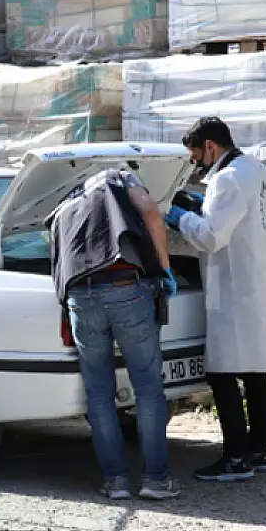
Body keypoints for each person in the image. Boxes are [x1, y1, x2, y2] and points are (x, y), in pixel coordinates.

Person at [164, 116, 266, 482]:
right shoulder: (260, 172)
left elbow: (212, 238)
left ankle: (235, 457)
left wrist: (179, 217)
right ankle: (260, 449)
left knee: (221, 374)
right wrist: (201, 206)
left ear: (211, 147)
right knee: (254, 371)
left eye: (196, 156)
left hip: (235, 291)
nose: (196, 164)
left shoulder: (226, 179)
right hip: (260, 285)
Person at [46, 167, 181, 500]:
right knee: (148, 388)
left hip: (80, 296)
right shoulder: (118, 177)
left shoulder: (67, 199)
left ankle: (116, 481)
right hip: (125, 288)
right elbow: (149, 210)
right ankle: (155, 480)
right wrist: (164, 267)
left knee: (99, 393)